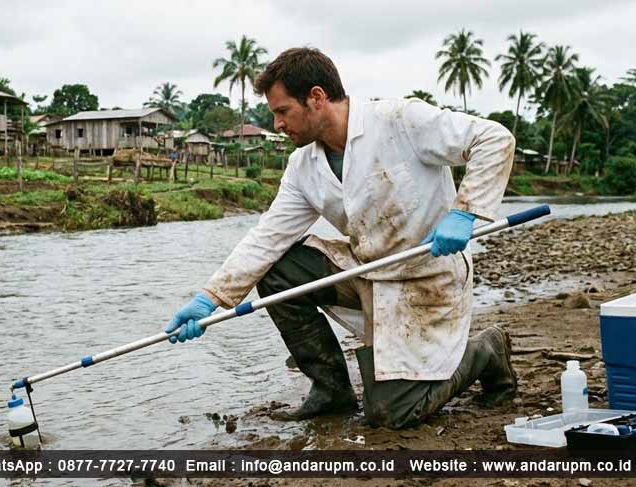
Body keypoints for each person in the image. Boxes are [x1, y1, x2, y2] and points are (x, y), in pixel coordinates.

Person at [164, 47, 518, 428]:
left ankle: (484, 350)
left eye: (283, 111)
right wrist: (210, 298)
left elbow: (494, 139)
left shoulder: (400, 119)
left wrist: (463, 211)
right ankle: (330, 388)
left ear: (316, 98)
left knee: (392, 414)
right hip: (365, 270)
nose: (277, 124)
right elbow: (268, 236)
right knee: (276, 269)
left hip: (427, 276)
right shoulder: (304, 166)